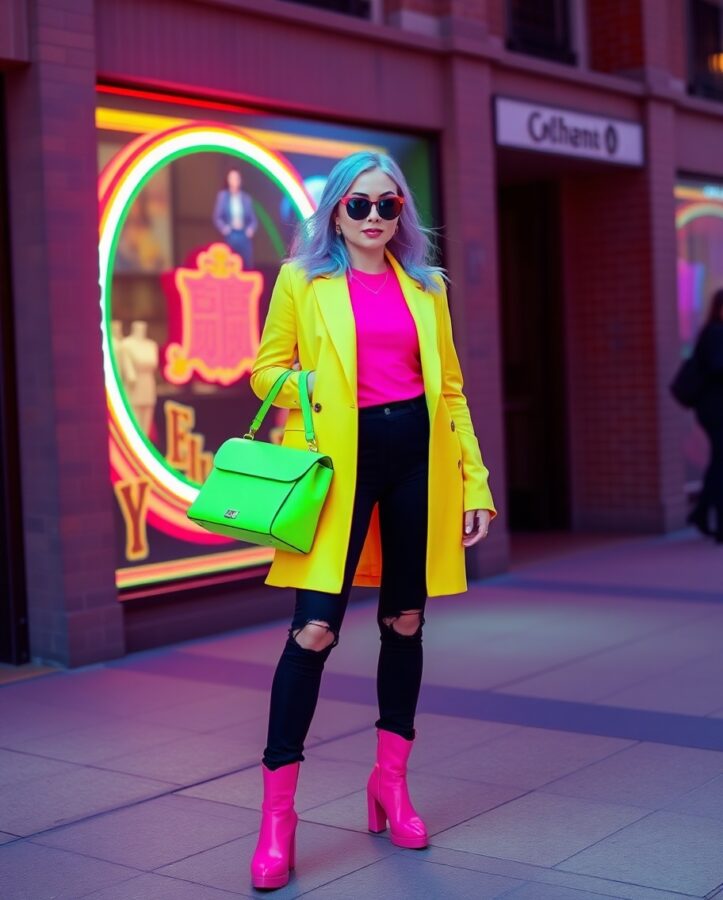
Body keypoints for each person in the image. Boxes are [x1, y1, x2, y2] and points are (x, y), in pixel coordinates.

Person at [247, 150, 497, 890]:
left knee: (406, 622)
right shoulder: (302, 280)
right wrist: (310, 382)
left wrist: (474, 482)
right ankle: (277, 819)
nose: (374, 219)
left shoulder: (427, 288)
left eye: (388, 206)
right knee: (313, 629)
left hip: (416, 455)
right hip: (337, 465)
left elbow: (448, 391)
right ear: (334, 210)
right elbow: (265, 371)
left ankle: (391, 783)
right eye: (359, 205)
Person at [687, 289, 723, 543]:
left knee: (719, 463)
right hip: (715, 410)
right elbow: (717, 367)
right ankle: (717, 522)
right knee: (721, 464)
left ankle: (700, 512)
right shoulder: (714, 333)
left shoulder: (713, 333)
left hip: (714, 409)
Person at [212, 167, 258, 269]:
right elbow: (217, 217)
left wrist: (250, 229)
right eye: (232, 178)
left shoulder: (246, 198)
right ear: (228, 180)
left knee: (246, 263)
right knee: (230, 264)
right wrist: (224, 228)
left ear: (240, 180)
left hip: (244, 234)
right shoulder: (223, 196)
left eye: (236, 178)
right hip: (230, 234)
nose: (234, 181)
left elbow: (253, 220)